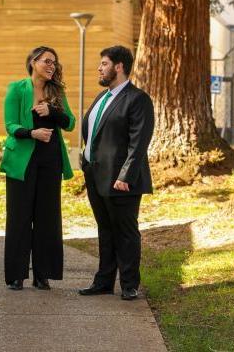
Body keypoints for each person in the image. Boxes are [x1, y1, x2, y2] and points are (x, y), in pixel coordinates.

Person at [78, 45, 154, 301]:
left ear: (119, 67)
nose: (99, 68)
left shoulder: (137, 99)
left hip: (122, 181)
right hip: (96, 175)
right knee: (105, 229)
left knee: (125, 231)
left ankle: (130, 284)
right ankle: (103, 282)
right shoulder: (102, 97)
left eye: (104, 64)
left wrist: (125, 176)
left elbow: (139, 142)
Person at [0, 46, 75, 290]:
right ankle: (16, 275)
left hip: (51, 160)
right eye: (46, 61)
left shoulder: (57, 91)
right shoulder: (17, 88)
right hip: (22, 160)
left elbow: (70, 123)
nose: (52, 65)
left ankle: (43, 274)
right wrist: (32, 133)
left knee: (47, 217)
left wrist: (52, 110)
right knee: (19, 217)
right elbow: (10, 125)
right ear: (33, 62)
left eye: (54, 62)